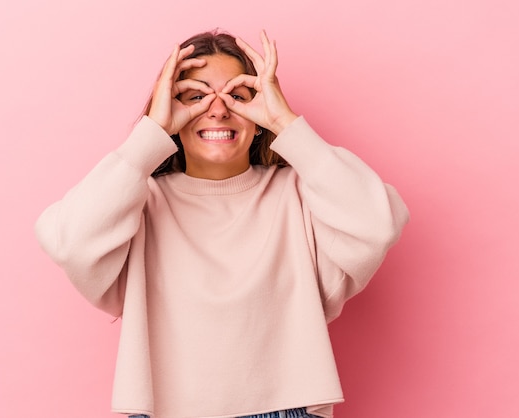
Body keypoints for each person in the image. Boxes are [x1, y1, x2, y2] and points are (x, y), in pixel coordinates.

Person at [35, 29, 409, 418]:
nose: (217, 109)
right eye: (195, 97)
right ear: (172, 115)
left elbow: (379, 222)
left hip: (286, 409)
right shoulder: (138, 202)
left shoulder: (300, 194)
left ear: (260, 114)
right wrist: (151, 132)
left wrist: (288, 123)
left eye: (237, 96)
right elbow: (68, 241)